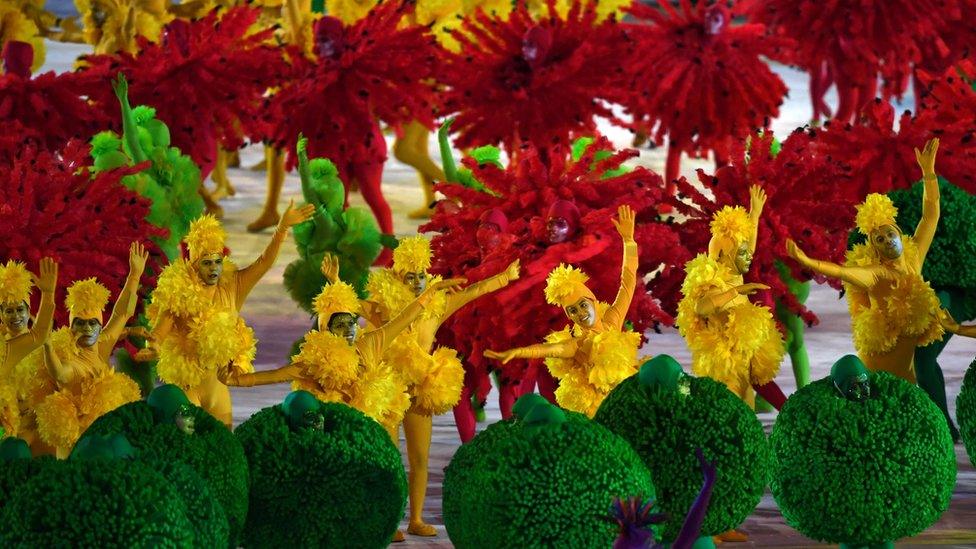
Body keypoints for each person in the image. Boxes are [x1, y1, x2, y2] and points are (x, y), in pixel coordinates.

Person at [360, 236, 519, 539]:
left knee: (420, 458)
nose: (418, 281)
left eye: (422, 274)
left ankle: (416, 519)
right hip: (389, 389)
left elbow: (474, 292)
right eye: (411, 275)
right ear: (397, 276)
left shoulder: (437, 304)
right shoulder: (383, 306)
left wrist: (505, 278)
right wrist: (332, 284)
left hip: (420, 387)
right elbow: (356, 306)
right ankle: (390, 521)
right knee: (390, 457)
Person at [787, 139, 943, 383]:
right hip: (874, 374)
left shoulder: (915, 259)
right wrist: (806, 260)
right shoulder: (876, 274)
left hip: (907, 376)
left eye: (890, 234)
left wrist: (929, 174)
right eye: (879, 240)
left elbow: (930, 215)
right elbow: (840, 272)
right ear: (877, 251)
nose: (887, 240)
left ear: (899, 233)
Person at [143, 206, 313, 427]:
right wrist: (152, 346)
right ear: (194, 266)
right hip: (187, 386)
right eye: (206, 263)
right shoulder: (178, 294)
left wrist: (282, 228)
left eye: (217, 261)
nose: (214, 268)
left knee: (223, 447)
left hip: (218, 387)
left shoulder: (233, 286)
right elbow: (158, 333)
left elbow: (263, 263)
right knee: (190, 447)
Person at [485, 205, 641, 417]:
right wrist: (516, 352)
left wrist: (628, 241)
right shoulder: (575, 346)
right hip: (595, 415)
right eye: (573, 310)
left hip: (627, 405)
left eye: (583, 305)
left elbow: (628, 283)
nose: (581, 313)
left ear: (594, 302)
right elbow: (547, 350)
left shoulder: (613, 320)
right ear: (569, 316)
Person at [676, 186, 788, 411]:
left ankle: (789, 411)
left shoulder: (735, 271)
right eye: (742, 253)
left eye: (746, 252)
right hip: (726, 369)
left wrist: (754, 215)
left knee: (755, 396)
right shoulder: (712, 281)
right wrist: (735, 292)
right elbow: (702, 307)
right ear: (724, 256)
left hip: (745, 360)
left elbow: (750, 247)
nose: (749, 257)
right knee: (734, 413)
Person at [34, 243, 148, 457]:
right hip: (74, 447)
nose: (87, 328)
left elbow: (121, 314)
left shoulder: (101, 344)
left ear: (99, 325)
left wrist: (134, 274)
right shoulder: (71, 360)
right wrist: (48, 347)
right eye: (80, 323)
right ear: (70, 326)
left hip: (102, 444)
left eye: (92, 323)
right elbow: (59, 372)